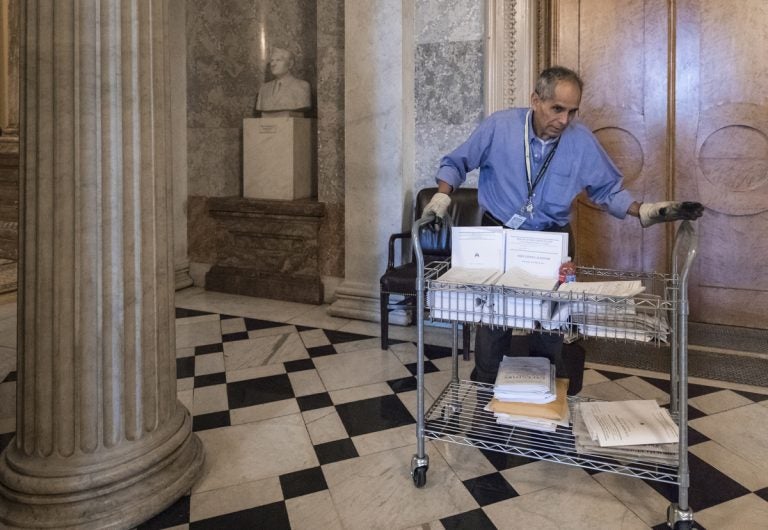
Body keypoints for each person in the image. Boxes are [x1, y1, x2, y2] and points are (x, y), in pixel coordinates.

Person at [424, 66, 703, 384]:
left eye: (572, 111)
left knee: (552, 322)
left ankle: (544, 403)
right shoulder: (499, 127)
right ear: (535, 100)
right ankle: (486, 401)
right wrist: (441, 197)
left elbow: (607, 190)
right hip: (500, 233)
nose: (564, 120)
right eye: (557, 109)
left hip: (551, 239)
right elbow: (456, 162)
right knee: (493, 321)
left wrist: (645, 211)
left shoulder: (580, 141)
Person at [256, 47, 311, 113]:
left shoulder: (302, 86)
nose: (273, 64)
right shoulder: (264, 89)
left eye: (278, 60)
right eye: (272, 60)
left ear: (290, 64)